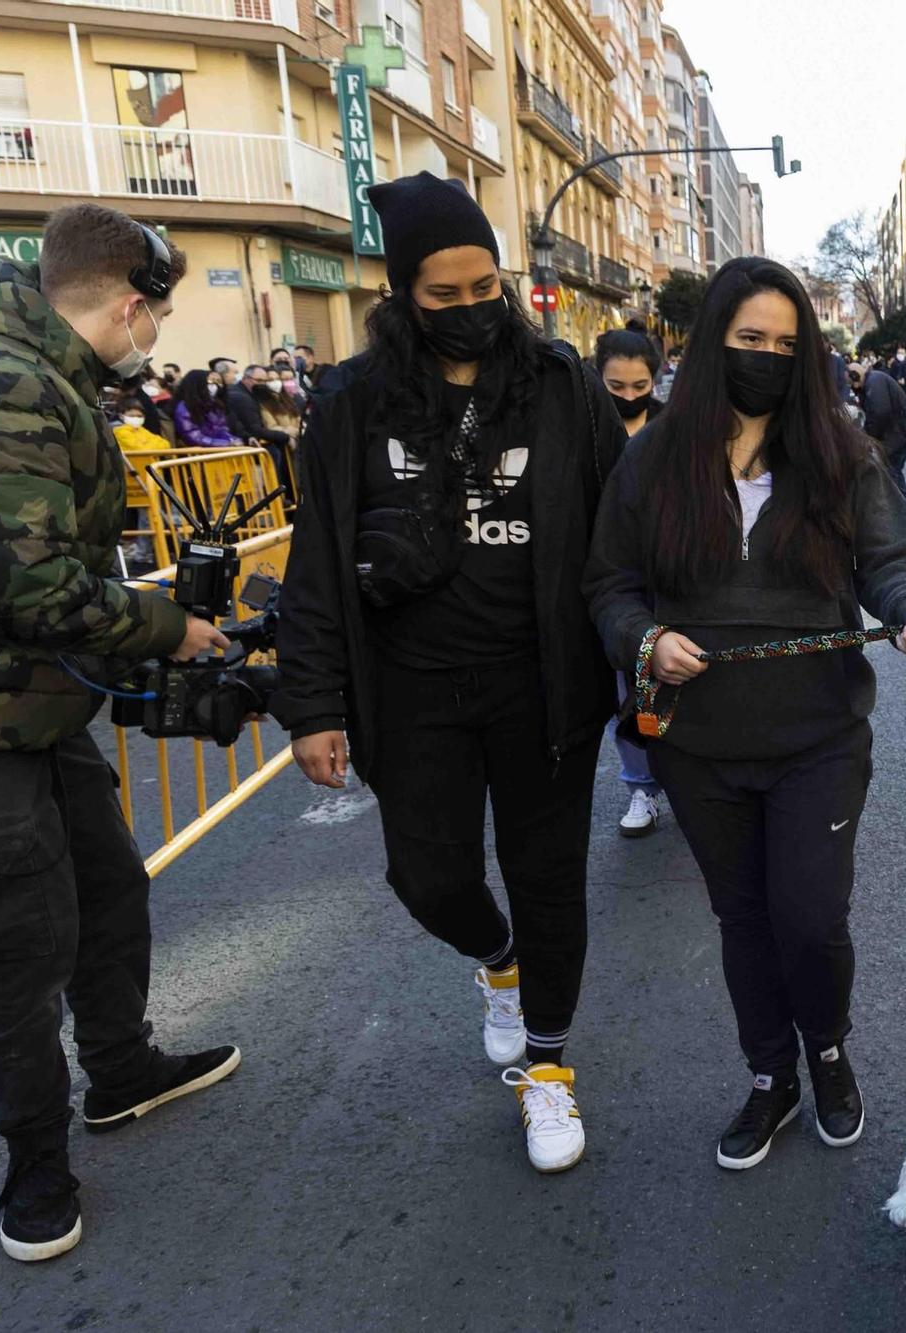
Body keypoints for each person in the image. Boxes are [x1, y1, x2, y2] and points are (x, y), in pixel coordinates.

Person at [274, 172, 622, 1174]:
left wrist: (645, 658)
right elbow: (317, 561)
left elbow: (618, 535)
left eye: (486, 290)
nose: (472, 310)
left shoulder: (561, 386)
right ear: (401, 296)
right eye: (444, 295)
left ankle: (549, 1070)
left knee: (549, 878)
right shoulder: (350, 400)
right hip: (411, 689)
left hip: (543, 686)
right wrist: (314, 705)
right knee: (427, 876)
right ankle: (496, 960)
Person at [582, 256, 906, 1172]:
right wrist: (644, 643)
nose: (769, 358)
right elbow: (611, 583)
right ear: (714, 343)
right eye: (751, 340)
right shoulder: (653, 457)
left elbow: (895, 555)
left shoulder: (841, 452)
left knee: (811, 916)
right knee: (742, 919)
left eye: (787, 344)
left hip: (817, 740)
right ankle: (767, 1074)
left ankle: (826, 1049)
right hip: (699, 746)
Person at [0, 203, 240, 1263]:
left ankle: (120, 1070)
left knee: (109, 889)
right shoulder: (2, 377)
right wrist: (174, 629)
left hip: (31, 703)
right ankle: (34, 1166)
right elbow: (27, 585)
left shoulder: (29, 362)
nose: (152, 340)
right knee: (20, 945)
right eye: (155, 319)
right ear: (128, 305)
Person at [593, 327, 668, 839]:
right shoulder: (581, 429)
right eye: (614, 386)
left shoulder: (676, 429)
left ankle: (689, 781)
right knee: (628, 692)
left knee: (678, 688)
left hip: (670, 577)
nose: (627, 396)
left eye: (638, 385)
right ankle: (640, 786)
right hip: (611, 581)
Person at [850, 356, 906, 499]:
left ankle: (902, 512)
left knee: (892, 470)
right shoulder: (874, 380)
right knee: (892, 470)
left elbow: (880, 413)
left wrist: (869, 436)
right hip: (901, 432)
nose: (853, 389)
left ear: (855, 377)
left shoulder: (874, 382)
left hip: (902, 432)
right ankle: (900, 510)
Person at [224, 364, 293, 487]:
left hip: (247, 441)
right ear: (246, 378)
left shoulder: (250, 394)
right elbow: (255, 429)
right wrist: (284, 436)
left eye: (265, 381)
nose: (263, 384)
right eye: (259, 380)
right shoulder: (243, 398)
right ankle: (275, 494)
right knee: (273, 453)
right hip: (246, 446)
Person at [171, 368, 239, 447]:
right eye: (210, 382)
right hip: (201, 453)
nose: (215, 386)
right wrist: (224, 443)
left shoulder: (214, 404)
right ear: (199, 384)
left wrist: (233, 440)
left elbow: (221, 428)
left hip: (218, 450)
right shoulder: (184, 407)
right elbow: (193, 436)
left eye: (218, 382)